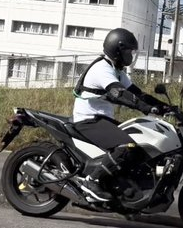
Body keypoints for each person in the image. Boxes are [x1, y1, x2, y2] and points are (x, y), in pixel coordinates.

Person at [72, 28, 170, 201]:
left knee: (138, 146)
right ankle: (92, 181)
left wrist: (165, 107)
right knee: (125, 146)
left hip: (102, 119)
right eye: (128, 51)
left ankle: (122, 187)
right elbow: (119, 93)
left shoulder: (116, 70)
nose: (131, 56)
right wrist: (146, 108)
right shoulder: (102, 68)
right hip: (88, 120)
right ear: (118, 49)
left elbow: (138, 94)